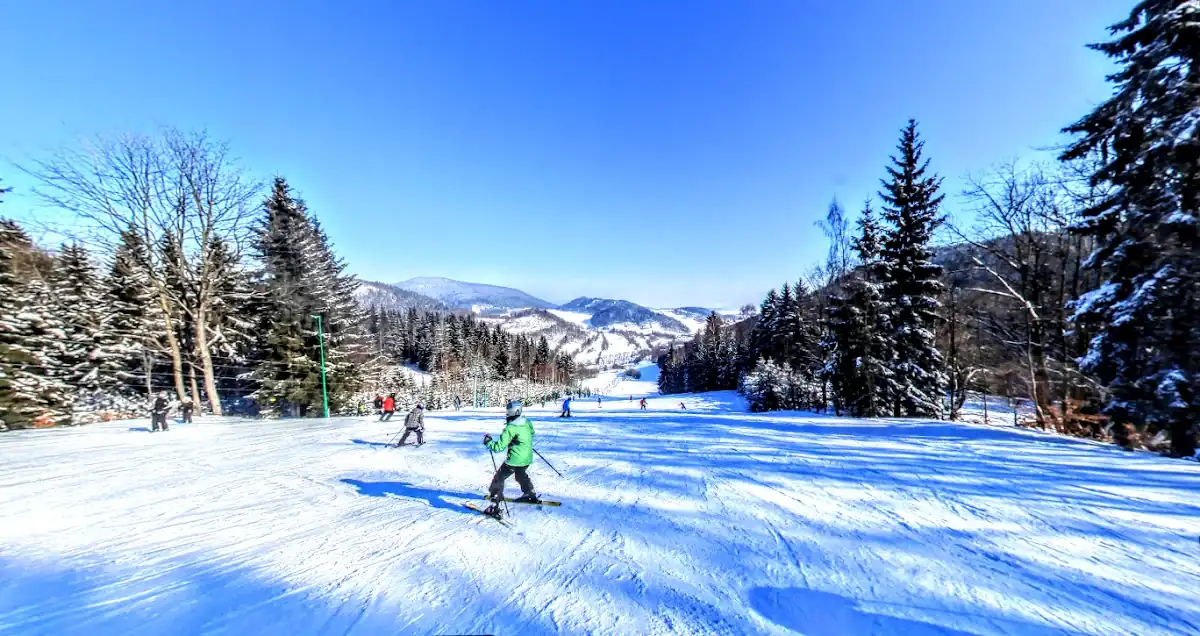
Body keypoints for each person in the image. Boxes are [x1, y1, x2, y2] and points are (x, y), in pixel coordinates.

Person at [482, 400, 538, 515]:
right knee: (520, 474)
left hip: (514, 459)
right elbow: (532, 433)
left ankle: (494, 504)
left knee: (499, 478)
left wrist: (488, 442)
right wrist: (521, 441)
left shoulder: (511, 428)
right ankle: (529, 493)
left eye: (507, 412)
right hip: (527, 457)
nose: (506, 414)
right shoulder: (526, 421)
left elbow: (498, 447)